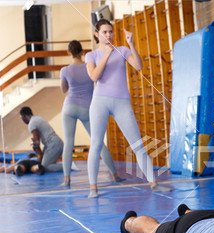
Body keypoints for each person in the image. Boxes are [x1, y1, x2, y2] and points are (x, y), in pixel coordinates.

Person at [85, 19, 170, 198]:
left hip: (122, 102)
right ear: (96, 34)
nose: (108, 35)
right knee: (96, 144)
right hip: (100, 102)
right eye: (104, 32)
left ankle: (154, 183)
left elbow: (138, 66)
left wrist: (131, 44)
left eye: (111, 32)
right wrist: (107, 54)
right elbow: (94, 76)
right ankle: (93, 187)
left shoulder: (122, 50)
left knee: (138, 144)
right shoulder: (91, 56)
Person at [60, 40, 124, 187]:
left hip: (69, 106)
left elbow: (64, 90)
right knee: (98, 142)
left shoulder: (65, 70)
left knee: (68, 143)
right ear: (82, 52)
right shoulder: (90, 66)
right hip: (87, 108)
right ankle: (115, 175)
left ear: (69, 52)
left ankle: (67, 179)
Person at [20, 106, 64, 173]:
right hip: (55, 143)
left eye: (21, 118)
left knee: (45, 167)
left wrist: (35, 147)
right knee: (46, 163)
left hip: (53, 144)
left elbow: (37, 142)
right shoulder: (38, 118)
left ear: (24, 116)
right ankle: (67, 166)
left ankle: (68, 167)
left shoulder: (31, 124)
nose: (22, 120)